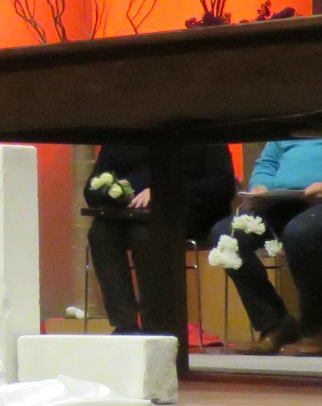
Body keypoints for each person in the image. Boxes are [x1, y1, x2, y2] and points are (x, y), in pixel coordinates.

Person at [206, 136, 322, 354]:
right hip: (281, 203)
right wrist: (260, 186)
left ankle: (314, 327)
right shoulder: (295, 120)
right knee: (226, 233)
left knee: (302, 232)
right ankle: (274, 323)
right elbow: (268, 163)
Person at [83, 142, 237, 333]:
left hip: (184, 211)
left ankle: (154, 325)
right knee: (101, 234)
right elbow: (91, 189)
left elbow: (222, 185)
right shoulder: (123, 133)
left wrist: (163, 193)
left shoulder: (202, 130)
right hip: (129, 214)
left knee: (146, 234)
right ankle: (124, 325)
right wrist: (113, 191)